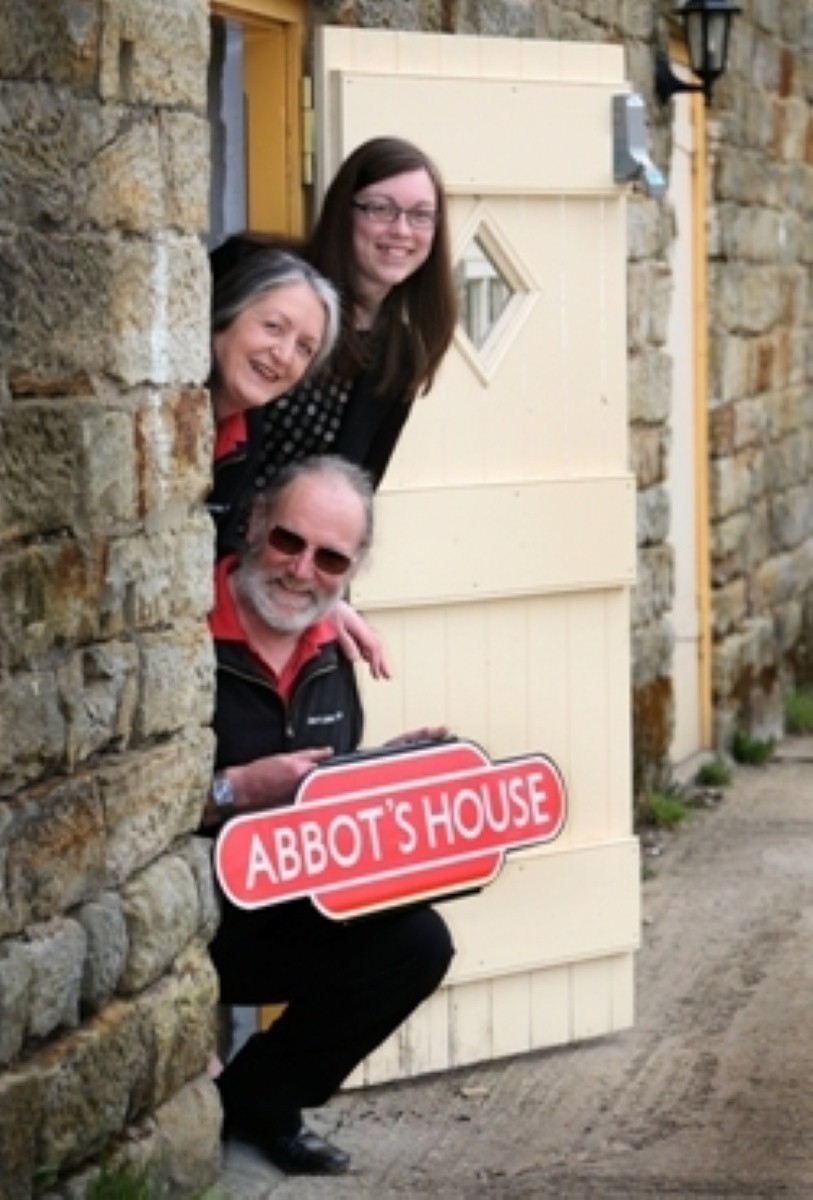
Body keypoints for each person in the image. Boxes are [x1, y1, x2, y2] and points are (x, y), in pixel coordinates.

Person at [203, 455, 454, 1176]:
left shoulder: (330, 647)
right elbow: (132, 815)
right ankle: (257, 1106)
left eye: (330, 557)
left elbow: (321, 799)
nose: (301, 569)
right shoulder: (184, 635)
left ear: (353, 568)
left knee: (418, 941)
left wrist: (388, 774)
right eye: (288, 541)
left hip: (282, 907)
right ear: (252, 524)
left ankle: (259, 1099)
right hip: (191, 918)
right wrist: (235, 790)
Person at [207, 249, 340, 560]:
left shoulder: (248, 431)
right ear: (224, 318)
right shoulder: (157, 407)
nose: (283, 355)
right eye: (273, 327)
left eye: (305, 348)